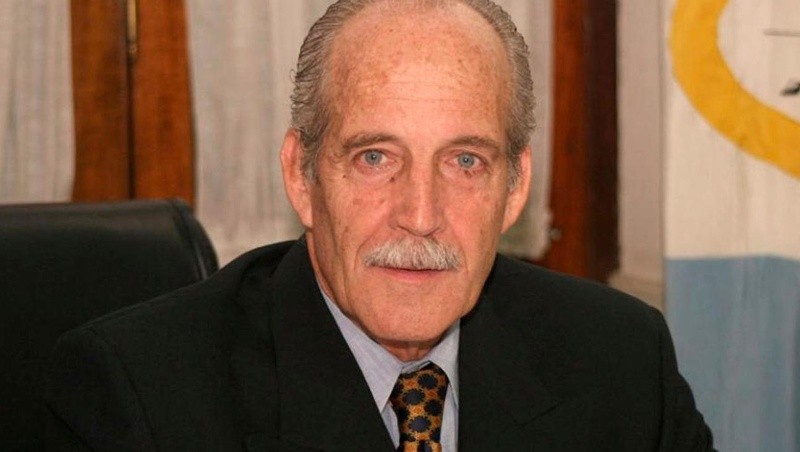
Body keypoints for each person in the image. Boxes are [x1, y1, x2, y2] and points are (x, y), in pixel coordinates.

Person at [44, 0, 714, 450]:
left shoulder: (620, 359)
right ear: (301, 176)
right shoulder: (138, 398)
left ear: (514, 188)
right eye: (374, 157)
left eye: (465, 161)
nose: (420, 216)